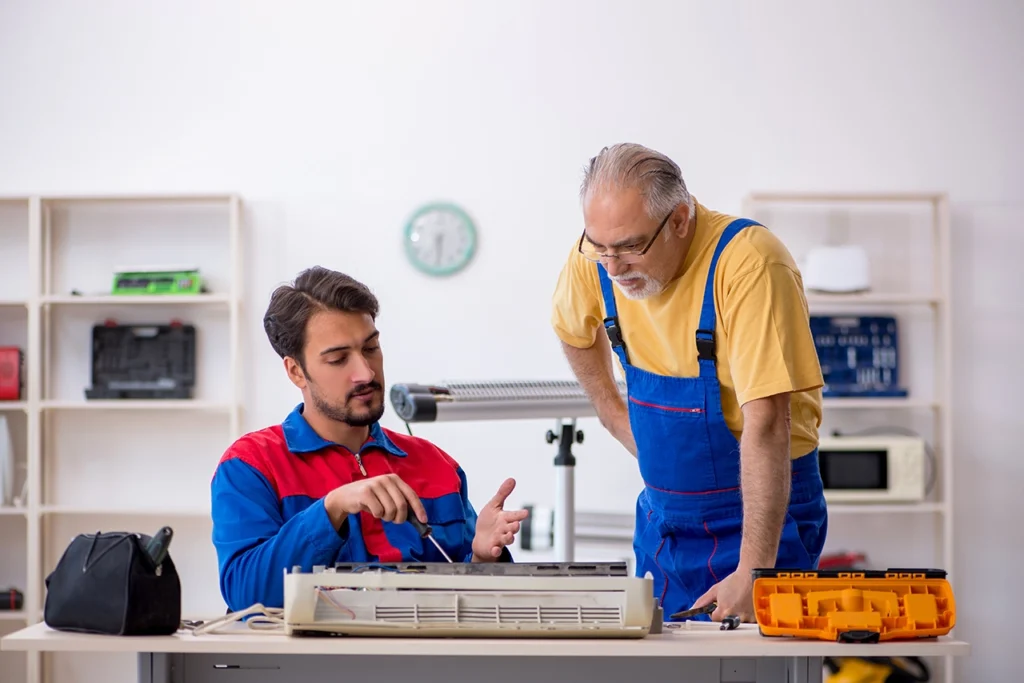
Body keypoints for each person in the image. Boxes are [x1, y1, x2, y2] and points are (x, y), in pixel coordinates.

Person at [550, 143, 828, 623]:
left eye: (631, 247)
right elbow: (573, 331)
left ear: (679, 220)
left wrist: (754, 570)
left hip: (761, 514)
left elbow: (766, 421)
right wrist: (614, 417)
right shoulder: (598, 256)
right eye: (601, 248)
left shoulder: (749, 264)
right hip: (664, 516)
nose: (613, 268)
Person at [211, 266, 527, 612]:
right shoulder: (251, 465)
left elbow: (472, 606)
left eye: (371, 348)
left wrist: (483, 557)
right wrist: (332, 508)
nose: (366, 372)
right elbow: (244, 592)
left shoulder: (436, 465)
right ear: (296, 371)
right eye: (338, 359)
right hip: (308, 667)